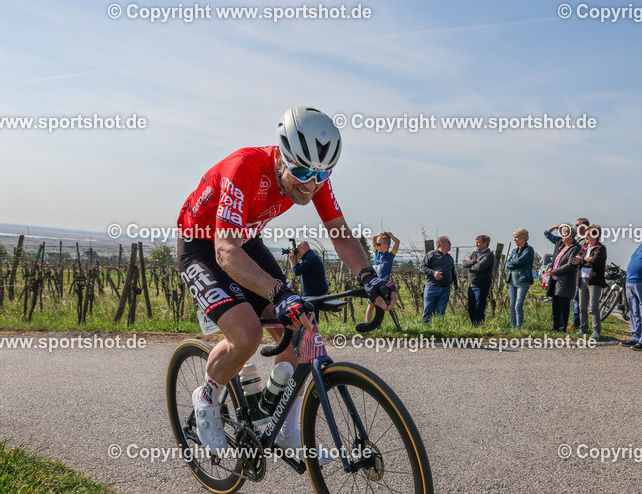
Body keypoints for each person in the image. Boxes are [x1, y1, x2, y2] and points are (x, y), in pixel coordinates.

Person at [175, 106, 395, 457]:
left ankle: (286, 432)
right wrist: (278, 292)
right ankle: (207, 396)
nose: (311, 185)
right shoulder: (244, 169)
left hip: (244, 239)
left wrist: (370, 277)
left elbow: (339, 234)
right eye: (302, 171)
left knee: (301, 332)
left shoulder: (313, 177)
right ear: (280, 156)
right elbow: (225, 251)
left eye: (322, 175)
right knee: (246, 334)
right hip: (203, 244)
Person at [543, 218, 589, 328]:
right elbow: (546, 234)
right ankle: (556, 326)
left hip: (565, 280)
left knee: (563, 304)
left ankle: (562, 327)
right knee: (555, 303)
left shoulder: (575, 247)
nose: (562, 236)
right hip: (555, 279)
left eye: (565, 234)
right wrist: (551, 270)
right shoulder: (561, 246)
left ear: (571, 236)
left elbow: (570, 265)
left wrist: (555, 271)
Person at [576, 225, 607, 341]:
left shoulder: (601, 248)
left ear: (595, 235)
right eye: (585, 234)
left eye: (588, 234)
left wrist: (582, 260)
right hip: (581, 279)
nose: (586, 236)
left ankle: (596, 331)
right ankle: (583, 328)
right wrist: (585, 259)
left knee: (593, 306)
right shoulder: (584, 248)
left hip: (593, 280)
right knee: (581, 306)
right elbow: (575, 261)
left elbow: (595, 262)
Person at [366, 231, 400, 323]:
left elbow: (397, 242)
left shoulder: (390, 256)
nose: (377, 246)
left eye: (379, 244)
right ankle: (368, 324)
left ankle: (378, 324)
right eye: (376, 244)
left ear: (386, 245)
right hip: (373, 284)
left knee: (381, 306)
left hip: (383, 286)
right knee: (371, 305)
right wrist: (380, 235)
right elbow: (373, 238)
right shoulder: (376, 253)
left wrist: (390, 236)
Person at [421, 236, 457, 323]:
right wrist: (433, 273)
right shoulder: (431, 254)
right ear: (441, 243)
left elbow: (453, 274)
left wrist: (456, 288)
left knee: (441, 311)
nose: (450, 244)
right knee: (428, 310)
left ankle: (438, 329)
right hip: (432, 287)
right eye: (448, 242)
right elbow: (422, 268)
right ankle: (425, 331)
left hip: (445, 289)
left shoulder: (450, 258)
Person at [504, 229, 534, 328]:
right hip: (512, 281)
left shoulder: (529, 250)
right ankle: (513, 325)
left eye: (516, 237)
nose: (514, 239)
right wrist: (515, 262)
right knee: (512, 305)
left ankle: (519, 326)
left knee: (518, 305)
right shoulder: (514, 250)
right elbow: (508, 264)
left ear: (523, 238)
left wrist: (514, 262)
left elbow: (520, 261)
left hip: (523, 280)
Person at [461, 235, 494, 325]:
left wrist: (470, 263)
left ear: (485, 243)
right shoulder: (474, 254)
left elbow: (480, 267)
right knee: (471, 307)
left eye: (479, 242)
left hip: (482, 285)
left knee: (479, 306)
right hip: (472, 284)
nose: (476, 244)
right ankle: (473, 324)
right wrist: (475, 261)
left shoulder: (489, 255)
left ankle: (479, 325)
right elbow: (464, 264)